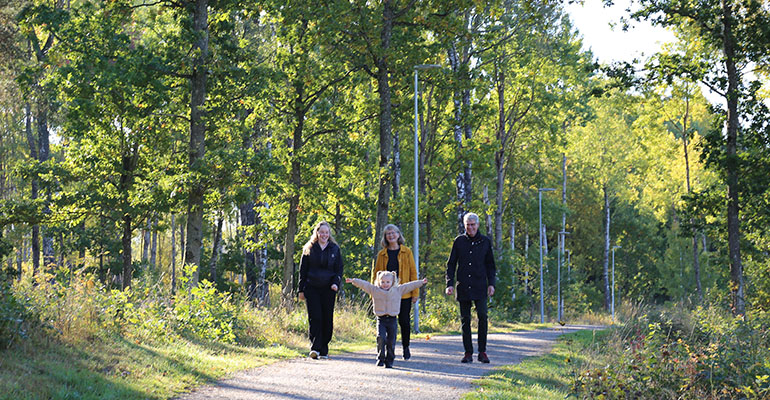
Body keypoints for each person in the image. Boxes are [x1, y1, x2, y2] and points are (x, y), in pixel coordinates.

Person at [347, 271, 427, 368]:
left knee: (391, 341)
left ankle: (390, 360)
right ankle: (380, 357)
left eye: (388, 282)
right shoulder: (374, 290)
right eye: (383, 282)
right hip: (381, 319)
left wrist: (421, 282)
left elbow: (410, 285)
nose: (385, 284)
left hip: (392, 319)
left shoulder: (398, 290)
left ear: (392, 282)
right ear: (379, 282)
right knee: (381, 338)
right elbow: (364, 284)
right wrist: (353, 281)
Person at [445, 212, 496, 363]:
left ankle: (482, 352)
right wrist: (449, 284)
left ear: (478, 225)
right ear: (465, 226)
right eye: (468, 225)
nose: (471, 227)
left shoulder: (485, 242)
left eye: (473, 224)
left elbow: (490, 266)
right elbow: (451, 264)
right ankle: (468, 353)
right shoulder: (459, 241)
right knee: (465, 320)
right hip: (463, 286)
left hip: (480, 285)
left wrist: (491, 284)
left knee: (483, 316)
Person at [370, 224, 419, 360]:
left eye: (393, 233)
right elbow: (376, 274)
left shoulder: (406, 252)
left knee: (404, 321)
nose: (391, 236)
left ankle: (406, 347)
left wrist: (415, 292)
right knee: (386, 323)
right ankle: (386, 350)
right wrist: (374, 292)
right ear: (385, 237)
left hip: (403, 293)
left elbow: (413, 273)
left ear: (398, 235)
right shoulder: (382, 254)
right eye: (388, 234)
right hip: (385, 295)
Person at [298, 221, 343, 360]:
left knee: (327, 319)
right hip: (311, 287)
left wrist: (336, 283)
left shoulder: (334, 249)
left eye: (326, 232)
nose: (324, 235)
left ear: (329, 234)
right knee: (315, 317)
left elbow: (339, 269)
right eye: (321, 232)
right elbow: (302, 271)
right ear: (317, 233)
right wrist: (300, 290)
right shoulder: (309, 248)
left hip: (329, 288)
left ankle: (324, 348)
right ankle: (315, 348)